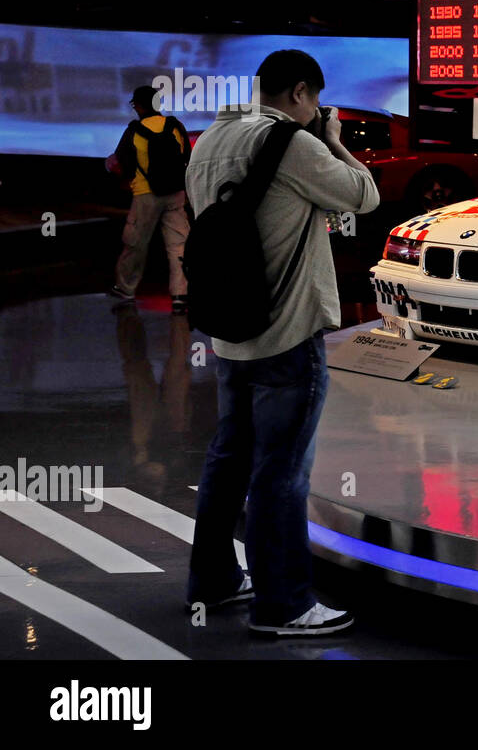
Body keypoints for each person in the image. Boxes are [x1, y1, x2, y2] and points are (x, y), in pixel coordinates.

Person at [184, 49, 378, 636]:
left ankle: (214, 581)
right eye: (314, 101)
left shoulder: (210, 142)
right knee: (282, 469)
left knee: (228, 459)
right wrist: (334, 139)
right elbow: (363, 195)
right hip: (286, 335)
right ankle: (284, 603)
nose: (316, 111)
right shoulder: (294, 144)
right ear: (299, 92)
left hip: (229, 332)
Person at [106, 85, 191, 313]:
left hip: (146, 195)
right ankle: (180, 295)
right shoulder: (175, 126)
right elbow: (186, 158)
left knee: (135, 243)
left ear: (140, 106)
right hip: (175, 194)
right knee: (179, 245)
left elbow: (120, 164)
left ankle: (126, 289)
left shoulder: (134, 130)